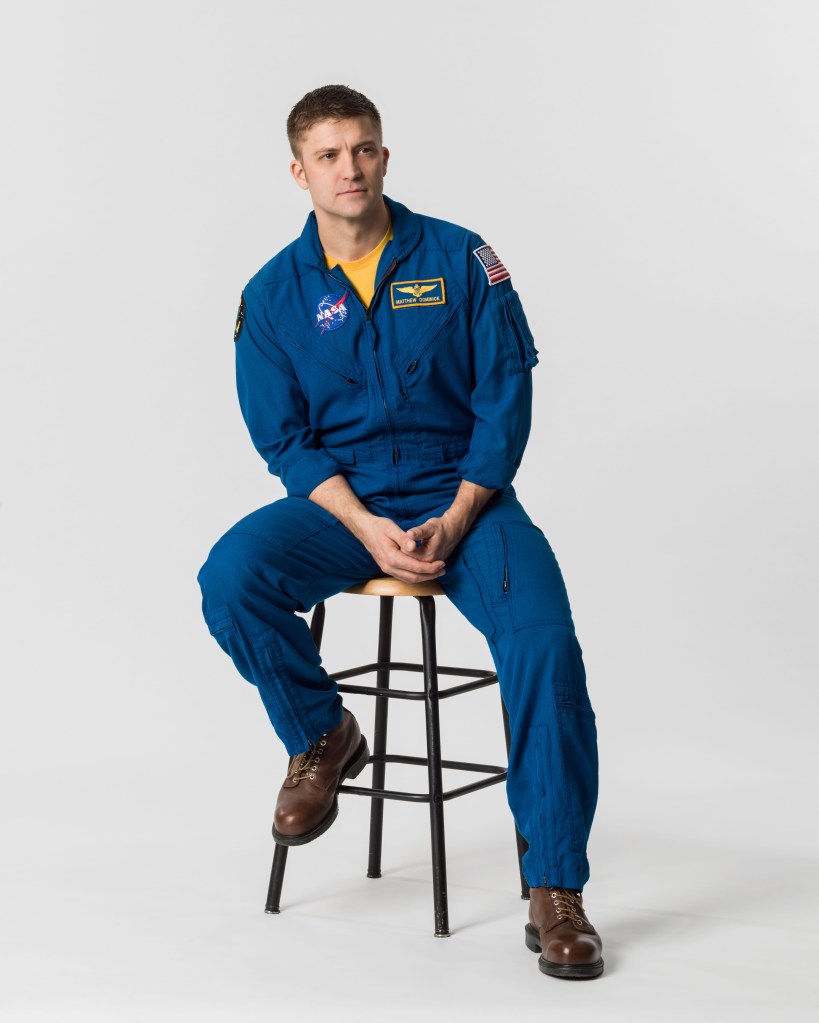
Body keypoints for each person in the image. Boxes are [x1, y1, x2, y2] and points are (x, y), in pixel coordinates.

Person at [197, 84, 603, 980]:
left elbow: (506, 397)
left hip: (466, 493)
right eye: (332, 155)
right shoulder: (271, 295)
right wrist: (365, 526)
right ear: (299, 171)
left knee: (544, 644)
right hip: (346, 505)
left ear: (386, 155)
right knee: (231, 576)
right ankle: (322, 733)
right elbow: (285, 440)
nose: (352, 168)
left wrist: (457, 516)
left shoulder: (463, 258)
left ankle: (556, 886)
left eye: (366, 149)